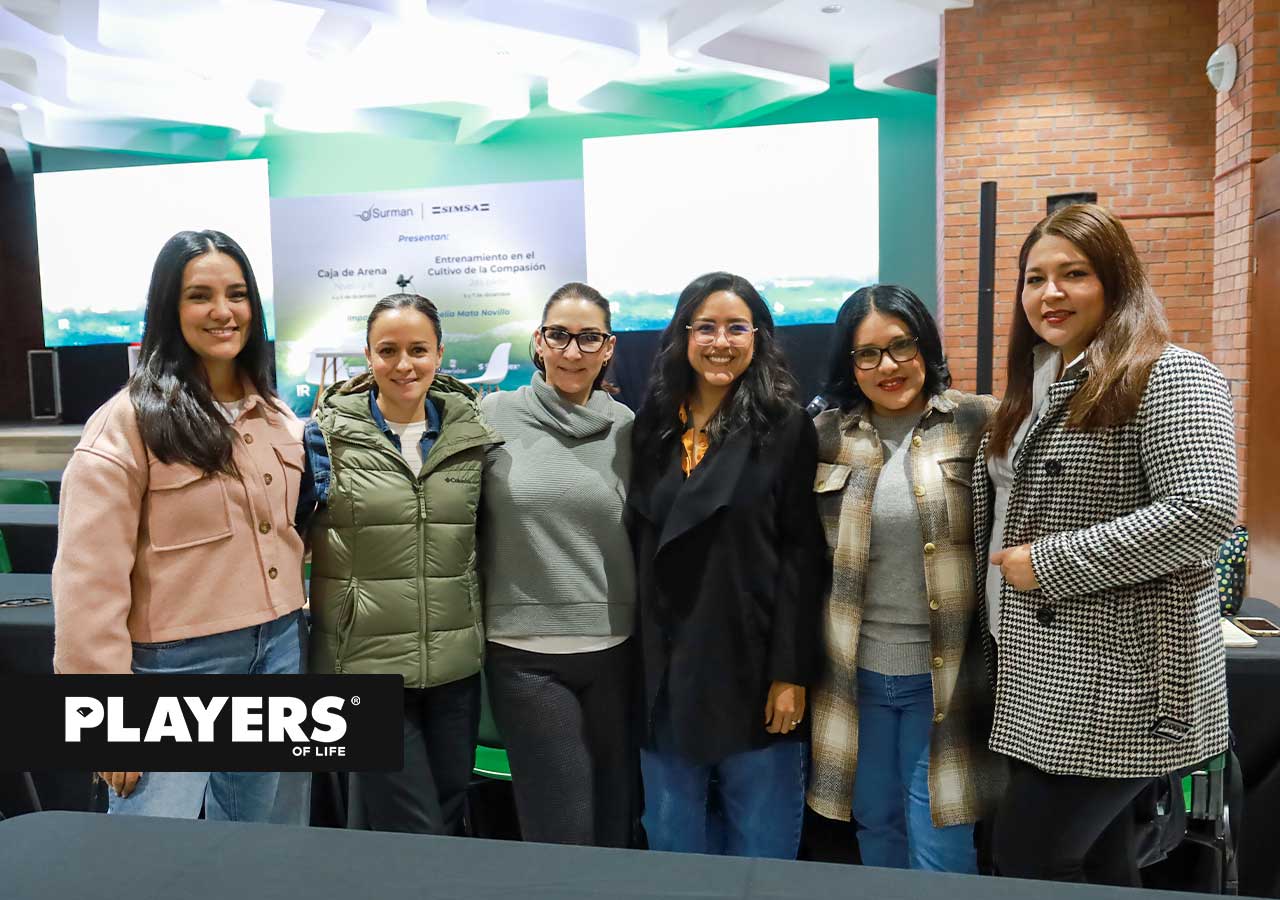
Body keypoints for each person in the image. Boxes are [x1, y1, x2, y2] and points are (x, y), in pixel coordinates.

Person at [977, 203, 1237, 885]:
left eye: (1074, 273)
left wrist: (1050, 563)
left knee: (1028, 856)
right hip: (1039, 669)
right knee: (1098, 860)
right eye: (1035, 278)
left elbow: (1204, 510)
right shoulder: (1037, 382)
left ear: (1116, 280)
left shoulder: (1169, 372)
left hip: (1119, 682)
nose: (1050, 293)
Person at [52, 230, 310, 822]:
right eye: (200, 295)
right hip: (174, 667)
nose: (223, 311)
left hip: (277, 649)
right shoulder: (126, 424)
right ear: (170, 308)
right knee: (151, 855)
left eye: (237, 294)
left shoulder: (277, 417)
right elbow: (88, 582)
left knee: (256, 840)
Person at [806, 285, 1004, 872]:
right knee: (877, 826)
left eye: (901, 346)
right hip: (853, 676)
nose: (887, 366)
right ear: (849, 363)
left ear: (926, 345)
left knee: (940, 840)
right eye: (867, 354)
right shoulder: (824, 436)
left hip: (943, 678)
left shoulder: (979, 422)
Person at [627, 271, 825, 859]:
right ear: (682, 337)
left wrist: (790, 674)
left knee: (761, 857)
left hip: (754, 668)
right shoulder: (652, 427)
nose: (721, 341)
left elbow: (801, 553)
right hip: (667, 672)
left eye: (737, 327)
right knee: (674, 853)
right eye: (706, 327)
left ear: (758, 337)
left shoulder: (785, 427)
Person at [301, 292, 501, 835]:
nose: (404, 364)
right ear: (368, 356)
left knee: (445, 808)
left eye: (418, 349)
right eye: (388, 350)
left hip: (454, 669)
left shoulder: (472, 435)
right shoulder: (324, 438)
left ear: (439, 354)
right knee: (414, 827)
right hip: (363, 671)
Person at [479, 282, 637, 847]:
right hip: (525, 656)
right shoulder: (492, 415)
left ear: (608, 347)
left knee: (617, 824)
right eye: (559, 336)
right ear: (538, 343)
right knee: (562, 828)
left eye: (588, 337)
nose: (573, 351)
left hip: (616, 652)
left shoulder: (629, 428)